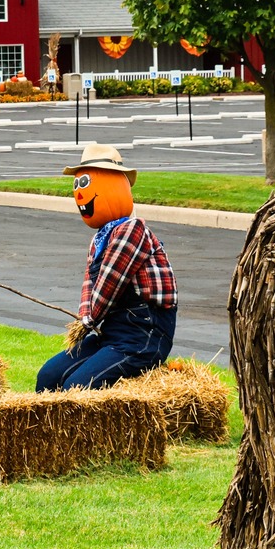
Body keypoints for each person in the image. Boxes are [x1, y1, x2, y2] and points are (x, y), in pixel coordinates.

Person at [37, 144, 177, 391]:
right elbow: (89, 286)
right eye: (77, 185)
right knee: (49, 376)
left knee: (77, 386)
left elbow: (109, 284)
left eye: (87, 184)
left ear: (115, 185)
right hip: (111, 335)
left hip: (143, 338)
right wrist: (83, 319)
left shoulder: (132, 231)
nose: (80, 194)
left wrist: (87, 321)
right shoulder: (101, 238)